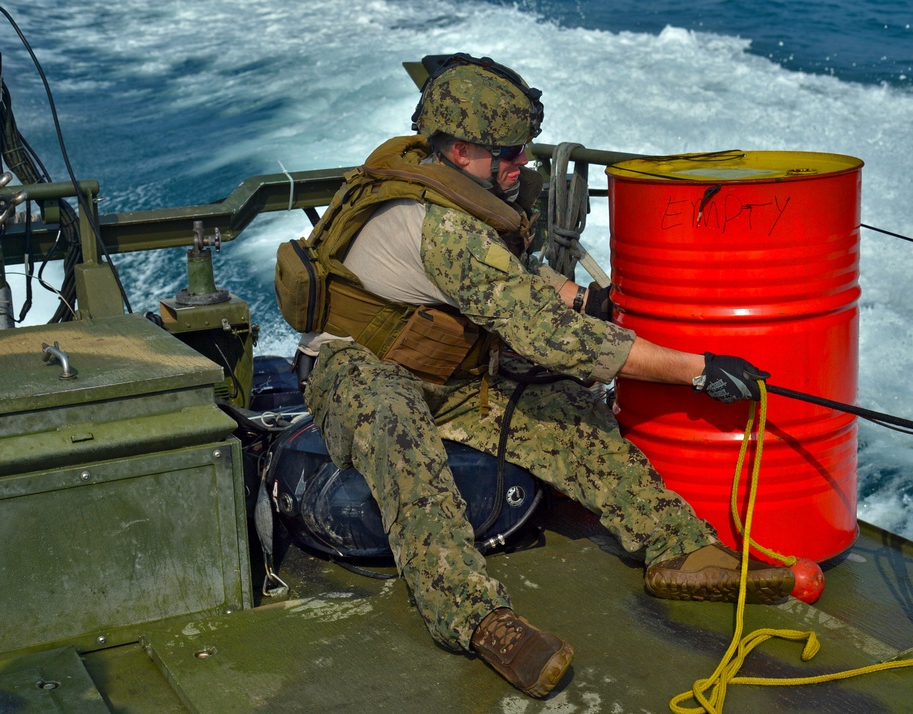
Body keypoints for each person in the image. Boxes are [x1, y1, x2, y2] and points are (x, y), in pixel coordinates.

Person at [289, 53, 796, 699]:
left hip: (451, 372)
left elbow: (516, 277)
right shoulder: (445, 225)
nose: (518, 167)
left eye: (522, 152)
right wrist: (695, 370)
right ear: (459, 148)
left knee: (567, 414)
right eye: (506, 155)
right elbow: (551, 339)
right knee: (402, 445)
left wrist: (578, 297)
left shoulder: (464, 192)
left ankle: (677, 546)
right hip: (357, 370)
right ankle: (474, 618)